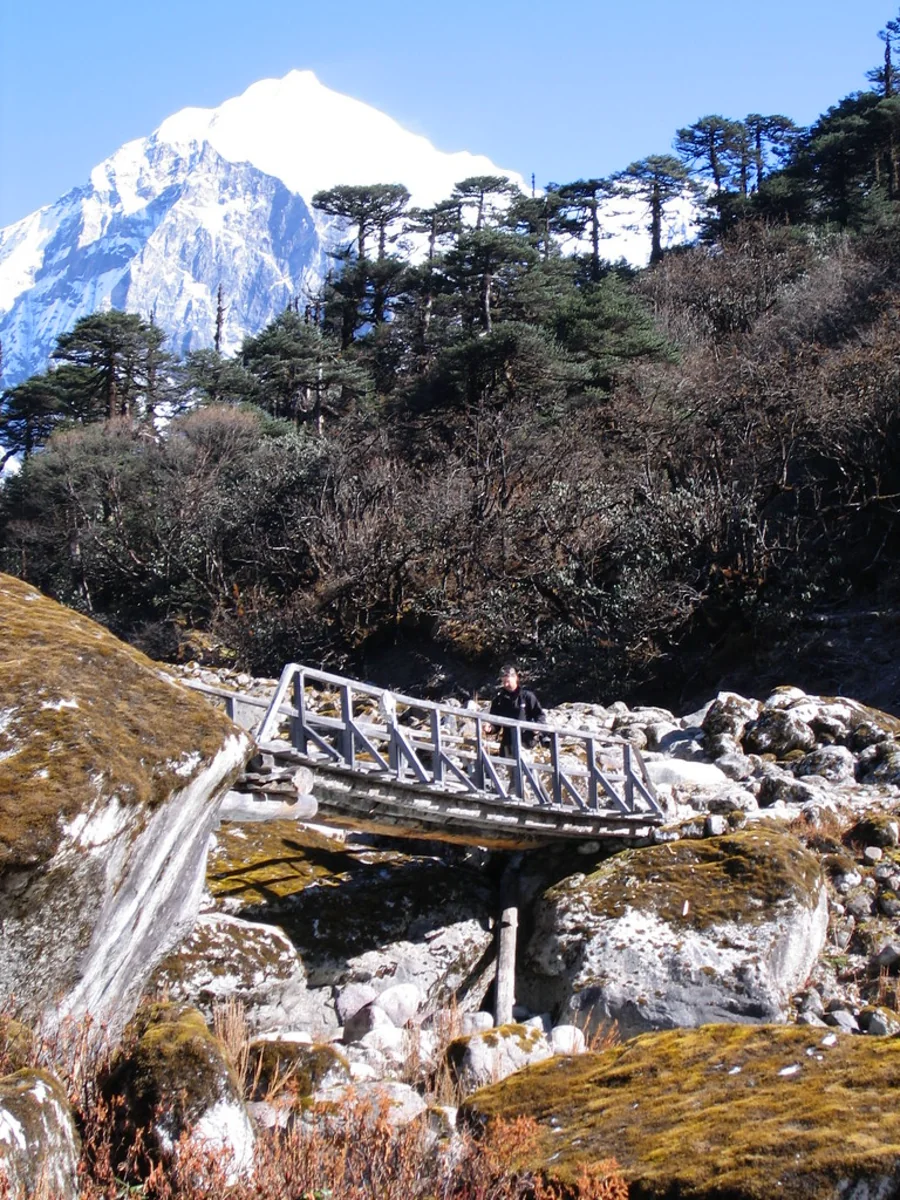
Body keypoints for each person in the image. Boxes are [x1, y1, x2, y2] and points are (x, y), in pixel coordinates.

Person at [488, 665, 545, 759]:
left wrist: (537, 728)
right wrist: (490, 728)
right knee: (507, 768)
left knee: (526, 768)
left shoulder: (527, 697)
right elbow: (495, 723)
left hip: (526, 744)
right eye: (504, 682)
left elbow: (540, 715)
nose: (506, 685)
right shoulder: (499, 700)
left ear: (515, 678)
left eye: (508, 681)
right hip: (507, 744)